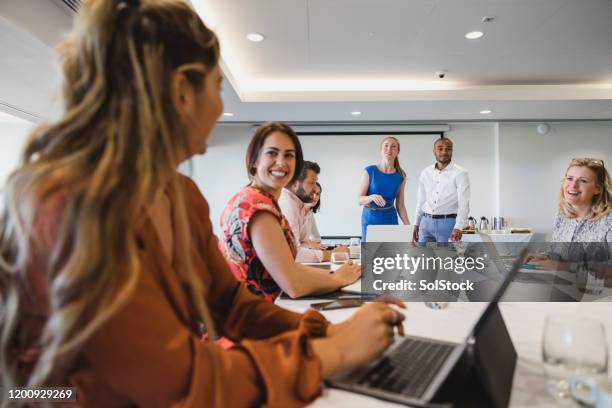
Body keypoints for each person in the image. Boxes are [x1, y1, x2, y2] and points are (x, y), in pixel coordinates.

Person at [0, 2, 405, 406]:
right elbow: (178, 383)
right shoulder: (71, 207)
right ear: (181, 93)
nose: (218, 105)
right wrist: (334, 352)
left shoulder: (179, 195)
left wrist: (328, 332)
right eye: (216, 87)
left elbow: (231, 305)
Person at [220, 123, 360, 300]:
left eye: (289, 155)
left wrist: (335, 275)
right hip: (247, 317)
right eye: (272, 153)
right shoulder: (257, 208)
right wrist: (340, 278)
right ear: (254, 160)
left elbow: (287, 267)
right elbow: (293, 285)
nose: (281, 162)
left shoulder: (253, 198)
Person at [527, 158, 612, 271]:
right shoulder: (562, 216)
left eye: (583, 181)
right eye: (569, 178)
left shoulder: (608, 221)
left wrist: (564, 267)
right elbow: (558, 253)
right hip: (563, 284)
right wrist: (543, 256)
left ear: (597, 189)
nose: (573, 185)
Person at [279, 161, 348, 262]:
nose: (315, 187)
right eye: (312, 182)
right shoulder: (287, 204)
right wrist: (333, 254)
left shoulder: (297, 204)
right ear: (295, 183)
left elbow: (302, 243)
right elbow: (294, 253)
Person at [414, 136, 470, 243]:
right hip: (425, 223)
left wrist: (458, 227)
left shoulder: (461, 173)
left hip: (448, 223)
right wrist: (416, 223)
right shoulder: (425, 172)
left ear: (452, 151)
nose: (444, 152)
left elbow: (464, 203)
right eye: (440, 148)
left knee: (446, 259)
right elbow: (421, 200)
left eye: (448, 149)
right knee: (423, 258)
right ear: (434, 151)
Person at [358, 136, 410, 241]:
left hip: (390, 219)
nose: (389, 149)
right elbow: (359, 200)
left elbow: (400, 205)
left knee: (389, 254)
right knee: (370, 254)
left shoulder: (401, 176)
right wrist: (372, 197)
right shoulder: (369, 171)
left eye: (393, 146)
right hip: (370, 218)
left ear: (398, 151)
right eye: (386, 146)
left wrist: (409, 227)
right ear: (381, 150)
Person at [304, 182, 322, 247]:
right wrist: (309, 243)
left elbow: (317, 238)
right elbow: (295, 242)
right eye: (312, 193)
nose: (315, 197)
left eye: (317, 194)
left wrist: (311, 243)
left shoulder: (310, 214)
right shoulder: (295, 210)